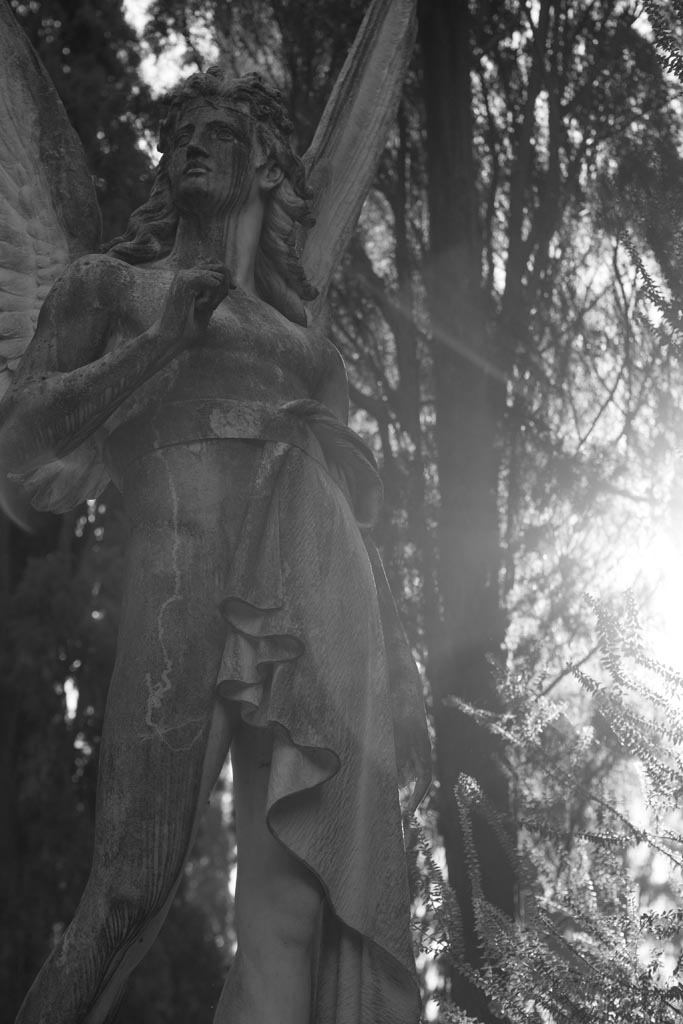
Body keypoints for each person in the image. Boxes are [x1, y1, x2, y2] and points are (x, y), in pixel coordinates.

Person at [1, 68, 429, 1024]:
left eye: (219, 133)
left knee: (294, 907)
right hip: (181, 576)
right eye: (178, 134)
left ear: (269, 170)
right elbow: (18, 434)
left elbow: (352, 508)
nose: (189, 144)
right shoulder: (111, 286)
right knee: (128, 893)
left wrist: (394, 660)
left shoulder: (310, 350)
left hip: (319, 584)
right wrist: (160, 344)